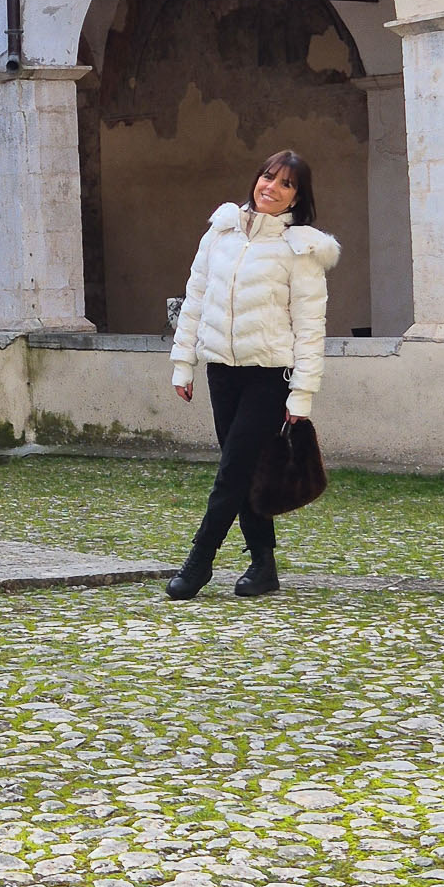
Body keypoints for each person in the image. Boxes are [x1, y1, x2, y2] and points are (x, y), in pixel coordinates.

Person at [166, 150, 340, 600]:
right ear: (256, 178)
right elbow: (196, 300)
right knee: (245, 471)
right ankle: (263, 565)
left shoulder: (299, 249)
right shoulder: (220, 233)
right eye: (268, 177)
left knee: (232, 471)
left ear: (297, 199)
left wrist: (301, 396)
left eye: (285, 185)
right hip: (222, 371)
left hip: (269, 374)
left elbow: (309, 327)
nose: (271, 188)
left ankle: (199, 560)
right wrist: (183, 363)